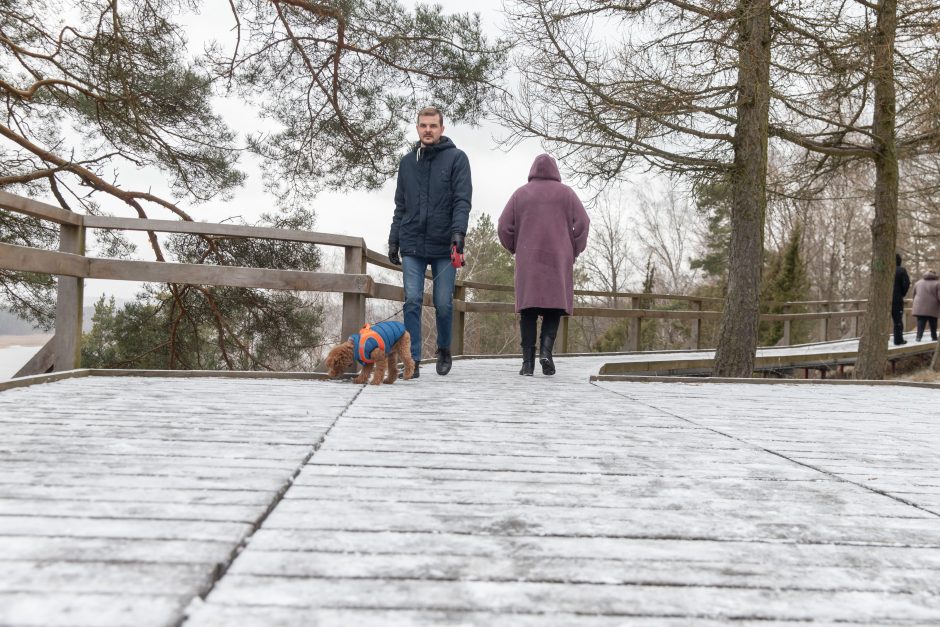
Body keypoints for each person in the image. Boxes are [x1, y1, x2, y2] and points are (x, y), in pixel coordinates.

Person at [387, 106, 471, 377]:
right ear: (417, 128)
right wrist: (393, 239)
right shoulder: (407, 163)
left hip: (444, 244)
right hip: (412, 242)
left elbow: (462, 201)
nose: (428, 130)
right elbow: (400, 205)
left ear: (442, 129)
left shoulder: (457, 159)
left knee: (443, 303)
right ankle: (412, 361)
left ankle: (444, 349)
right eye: (423, 125)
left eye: (433, 126)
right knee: (412, 300)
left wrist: (458, 235)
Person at [497, 153, 590, 376]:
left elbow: (503, 226)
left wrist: (515, 247)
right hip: (558, 258)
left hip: (528, 259)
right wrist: (573, 249)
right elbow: (583, 222)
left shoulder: (520, 194)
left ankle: (527, 363)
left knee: (528, 310)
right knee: (554, 308)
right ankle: (546, 353)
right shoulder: (566, 194)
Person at [911, 269, 940, 342]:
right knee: (933, 323)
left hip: (919, 306)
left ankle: (918, 337)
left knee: (920, 323)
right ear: (935, 275)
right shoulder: (937, 283)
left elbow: (914, 295)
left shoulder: (918, 283)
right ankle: (934, 337)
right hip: (932, 307)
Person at [892, 253, 911, 345]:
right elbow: (906, 283)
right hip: (896, 299)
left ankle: (880, 340)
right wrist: (902, 294)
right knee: (897, 320)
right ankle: (898, 340)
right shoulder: (901, 270)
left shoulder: (885, 271)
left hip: (883, 300)